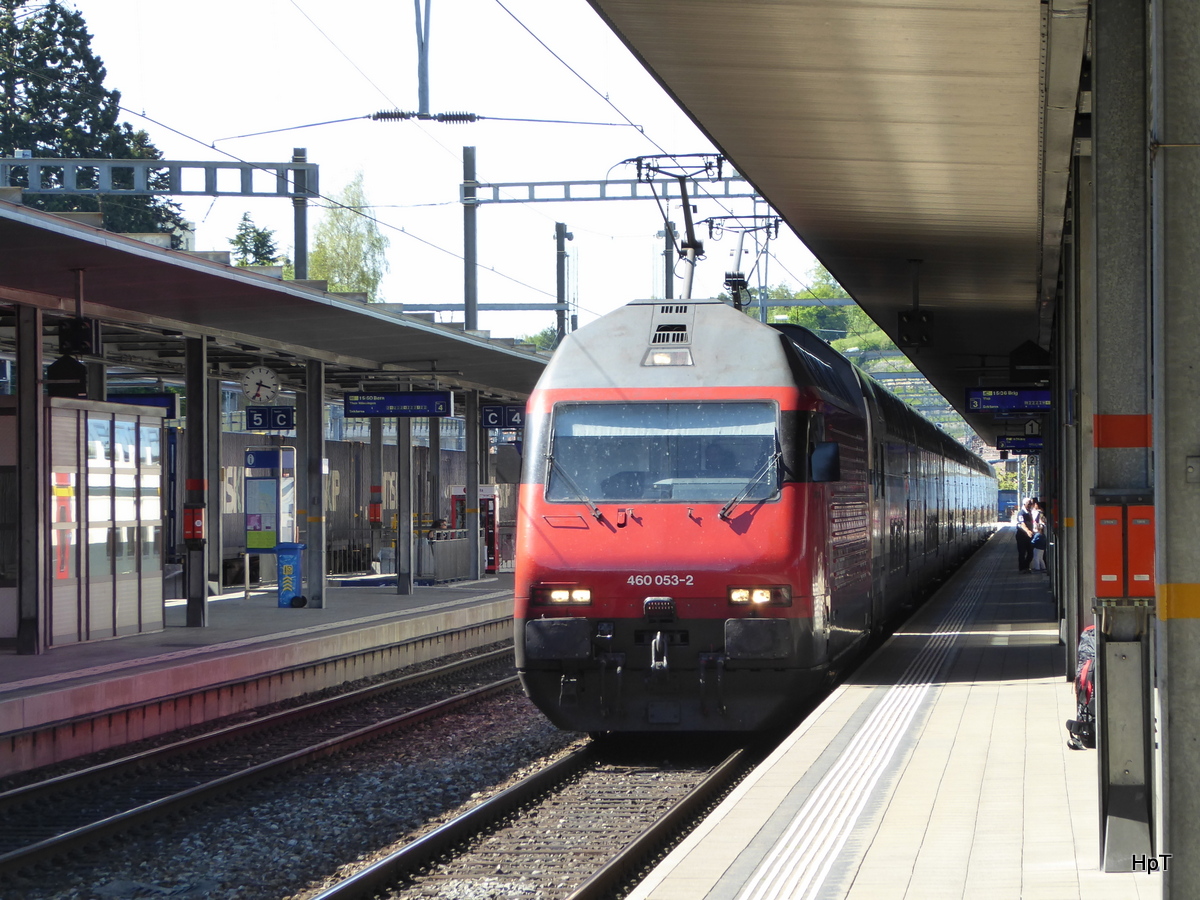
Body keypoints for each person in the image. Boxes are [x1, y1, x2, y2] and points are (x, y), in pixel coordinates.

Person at [1014, 497, 1034, 572]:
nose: (1030, 505)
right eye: (1029, 504)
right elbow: (1022, 524)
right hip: (1021, 535)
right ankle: (1022, 568)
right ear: (1025, 504)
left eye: (1031, 504)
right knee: (1022, 552)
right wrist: (1028, 531)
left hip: (1029, 535)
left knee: (1030, 553)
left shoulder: (1029, 512)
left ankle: (1026, 566)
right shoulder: (1021, 513)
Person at [1030, 499, 1047, 571]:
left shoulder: (1040, 514)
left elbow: (1033, 541)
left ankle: (1037, 568)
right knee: (1041, 558)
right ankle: (1043, 567)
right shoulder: (1043, 534)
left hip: (1037, 546)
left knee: (1037, 557)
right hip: (1042, 546)